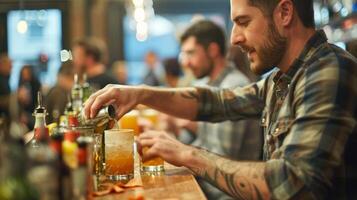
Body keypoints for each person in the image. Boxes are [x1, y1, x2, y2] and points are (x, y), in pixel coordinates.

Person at [84, 0, 357, 199]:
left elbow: (294, 184)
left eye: (243, 22)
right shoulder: (280, 80)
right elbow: (214, 102)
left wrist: (187, 154)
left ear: (285, 13)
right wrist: (139, 93)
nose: (235, 38)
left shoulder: (329, 70)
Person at [178, 20, 263, 199]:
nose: (186, 62)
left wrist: (179, 152)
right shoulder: (209, 84)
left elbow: (222, 160)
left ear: (213, 50)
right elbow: (204, 143)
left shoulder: (233, 86)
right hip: (208, 187)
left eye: (191, 53)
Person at [0, 53, 12, 118]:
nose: (11, 68)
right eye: (9, 66)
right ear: (1, 65)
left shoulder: (5, 79)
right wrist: (15, 97)